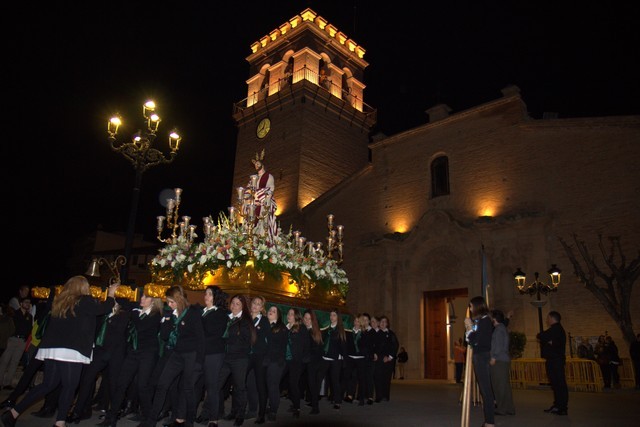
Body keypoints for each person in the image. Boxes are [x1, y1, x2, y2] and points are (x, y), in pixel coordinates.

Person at [0, 275, 118, 427]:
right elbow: (104, 309)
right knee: (69, 387)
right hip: (70, 351)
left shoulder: (60, 302)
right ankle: (60, 423)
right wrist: (111, 294)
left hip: (52, 350)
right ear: (82, 287)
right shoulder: (84, 300)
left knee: (47, 385)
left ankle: (13, 413)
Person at [100, 292, 163, 427]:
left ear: (154, 301)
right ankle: (111, 418)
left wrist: (133, 312)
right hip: (134, 352)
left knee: (142, 386)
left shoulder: (156, 315)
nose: (142, 299)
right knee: (121, 383)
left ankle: (148, 420)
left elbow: (140, 326)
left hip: (148, 353)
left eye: (146, 297)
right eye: (142, 296)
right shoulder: (137, 312)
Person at [68, 300, 129, 423]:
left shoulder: (124, 314)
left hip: (115, 353)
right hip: (100, 351)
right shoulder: (104, 312)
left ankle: (113, 414)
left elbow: (119, 331)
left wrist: (111, 317)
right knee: (87, 379)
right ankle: (77, 411)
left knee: (113, 384)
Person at [213, 294, 255, 427]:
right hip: (226, 358)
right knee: (217, 384)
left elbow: (246, 342)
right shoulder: (227, 318)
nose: (234, 306)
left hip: (239, 359)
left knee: (239, 388)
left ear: (243, 306)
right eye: (233, 303)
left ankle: (240, 414)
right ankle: (219, 413)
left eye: (237, 304)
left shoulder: (245, 321)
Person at [196, 285, 230, 426]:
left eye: (210, 294)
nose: (206, 296)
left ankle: (213, 419)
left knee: (212, 386)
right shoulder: (202, 312)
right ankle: (203, 414)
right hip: (201, 353)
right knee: (199, 385)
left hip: (214, 354)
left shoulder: (220, 313)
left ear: (216, 297)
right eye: (206, 294)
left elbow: (214, 334)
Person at [464, 296, 494, 427]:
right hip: (479, 355)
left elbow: (476, 341)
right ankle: (489, 421)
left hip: (481, 356)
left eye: (471, 306)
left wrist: (469, 328)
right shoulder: (482, 321)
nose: (470, 309)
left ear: (477, 306)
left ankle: (489, 422)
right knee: (484, 389)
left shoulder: (485, 321)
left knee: (486, 390)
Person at [538, 310, 568, 416]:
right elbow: (542, 336)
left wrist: (548, 340)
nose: (546, 320)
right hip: (554, 360)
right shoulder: (556, 329)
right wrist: (548, 341)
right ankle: (558, 405)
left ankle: (562, 407)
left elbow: (541, 336)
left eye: (547, 318)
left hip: (556, 361)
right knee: (556, 384)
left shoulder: (556, 329)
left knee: (559, 383)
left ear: (551, 318)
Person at [244, 296, 269, 422]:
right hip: (246, 356)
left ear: (261, 308)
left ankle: (262, 414)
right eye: (254, 303)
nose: (255, 305)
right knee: (243, 383)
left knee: (260, 385)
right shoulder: (245, 318)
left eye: (259, 304)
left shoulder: (264, 321)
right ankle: (245, 411)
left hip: (259, 356)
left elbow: (268, 341)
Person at [0, 297, 32, 390]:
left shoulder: (29, 316)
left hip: (22, 341)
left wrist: (25, 339)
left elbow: (29, 329)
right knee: (4, 361)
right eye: (26, 302)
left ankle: (7, 383)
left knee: (14, 362)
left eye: (29, 303)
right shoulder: (14, 313)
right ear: (21, 303)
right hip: (12, 339)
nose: (27, 304)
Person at [283, 307, 309, 419]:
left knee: (294, 383)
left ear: (296, 316)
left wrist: (302, 359)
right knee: (285, 381)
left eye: (291, 314)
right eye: (288, 314)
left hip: (296, 361)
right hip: (285, 360)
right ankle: (293, 403)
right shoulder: (285, 328)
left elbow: (307, 345)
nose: (289, 316)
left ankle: (297, 407)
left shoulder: (301, 328)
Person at [247, 151, 278, 243]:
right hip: (254, 205)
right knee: (251, 225)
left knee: (263, 225)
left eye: (258, 164)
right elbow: (248, 190)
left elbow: (270, 189)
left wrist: (259, 194)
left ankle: (264, 240)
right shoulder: (253, 178)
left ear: (262, 164)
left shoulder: (269, 176)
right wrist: (250, 196)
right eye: (255, 164)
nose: (256, 165)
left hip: (264, 204)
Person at [263, 305, 287, 422]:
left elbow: (280, 348)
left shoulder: (281, 328)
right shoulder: (264, 325)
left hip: (276, 361)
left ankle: (273, 410)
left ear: (278, 315)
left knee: (273, 386)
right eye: (270, 310)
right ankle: (269, 405)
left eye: (274, 311)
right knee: (268, 385)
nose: (271, 312)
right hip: (266, 361)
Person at [319, 308, 347, 410]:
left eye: (334, 315)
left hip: (336, 358)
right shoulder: (326, 328)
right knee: (319, 377)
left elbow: (343, 346)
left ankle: (337, 401)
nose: (332, 317)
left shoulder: (340, 330)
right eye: (331, 315)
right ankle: (313, 399)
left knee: (335, 380)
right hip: (325, 357)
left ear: (338, 317)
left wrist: (344, 361)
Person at [489, 309, 515, 416]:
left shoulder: (498, 329)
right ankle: (509, 408)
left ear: (494, 319)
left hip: (499, 360)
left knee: (499, 385)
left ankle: (502, 408)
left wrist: (493, 357)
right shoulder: (501, 328)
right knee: (504, 385)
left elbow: (498, 345)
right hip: (502, 359)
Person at [302, 309, 324, 415]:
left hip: (314, 363)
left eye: (309, 319)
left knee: (312, 385)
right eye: (305, 318)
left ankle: (316, 407)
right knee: (311, 384)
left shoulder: (313, 331)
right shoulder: (307, 330)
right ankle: (313, 403)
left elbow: (316, 349)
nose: (306, 320)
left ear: (313, 320)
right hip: (311, 362)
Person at [374, 316, 398, 402]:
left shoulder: (391, 334)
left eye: (385, 322)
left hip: (388, 359)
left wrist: (389, 357)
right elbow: (373, 346)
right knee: (377, 377)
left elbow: (395, 346)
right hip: (378, 359)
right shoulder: (375, 334)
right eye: (381, 322)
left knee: (386, 378)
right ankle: (378, 396)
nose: (383, 323)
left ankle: (385, 395)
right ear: (379, 323)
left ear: (387, 324)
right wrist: (374, 354)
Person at [358, 313, 376, 406]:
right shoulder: (361, 332)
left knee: (369, 378)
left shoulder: (372, 332)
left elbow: (373, 345)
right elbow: (360, 344)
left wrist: (375, 353)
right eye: (363, 319)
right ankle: (361, 398)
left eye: (366, 320)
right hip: (361, 358)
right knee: (362, 377)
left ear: (369, 321)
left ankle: (370, 397)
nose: (364, 321)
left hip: (369, 358)